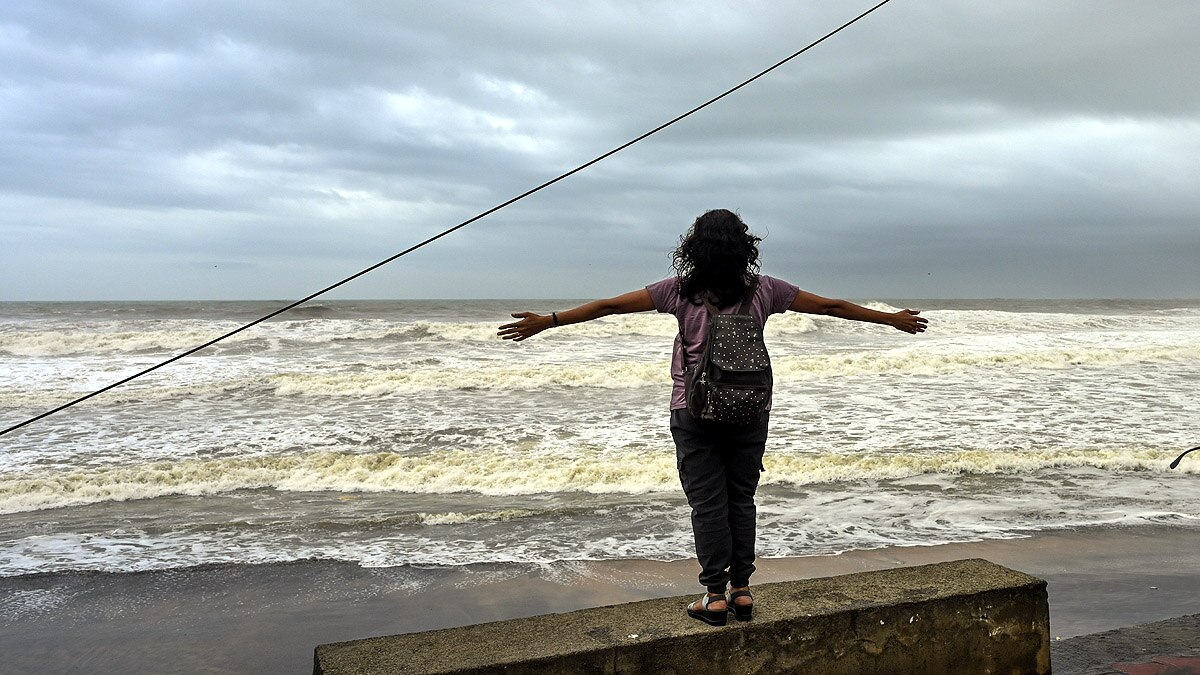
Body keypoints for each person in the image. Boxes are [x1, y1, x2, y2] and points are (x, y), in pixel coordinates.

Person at [498, 209, 928, 626]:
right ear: (745, 248)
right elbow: (831, 307)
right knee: (740, 500)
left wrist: (548, 321)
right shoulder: (765, 289)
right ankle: (741, 589)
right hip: (750, 410)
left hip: (693, 410)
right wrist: (889, 318)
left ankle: (714, 597)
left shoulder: (677, 291)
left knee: (707, 505)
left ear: (693, 249)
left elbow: (609, 306)